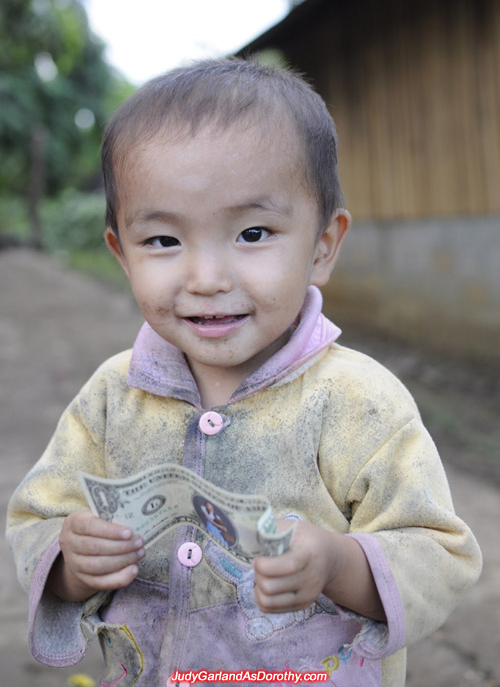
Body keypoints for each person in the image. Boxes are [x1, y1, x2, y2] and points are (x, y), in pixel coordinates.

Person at [7, 57, 481, 687]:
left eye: (253, 232)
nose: (206, 279)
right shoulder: (110, 398)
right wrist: (71, 561)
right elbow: (36, 519)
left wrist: (339, 563)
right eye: (163, 242)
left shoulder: (357, 400)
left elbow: (439, 551)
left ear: (321, 245)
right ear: (120, 251)